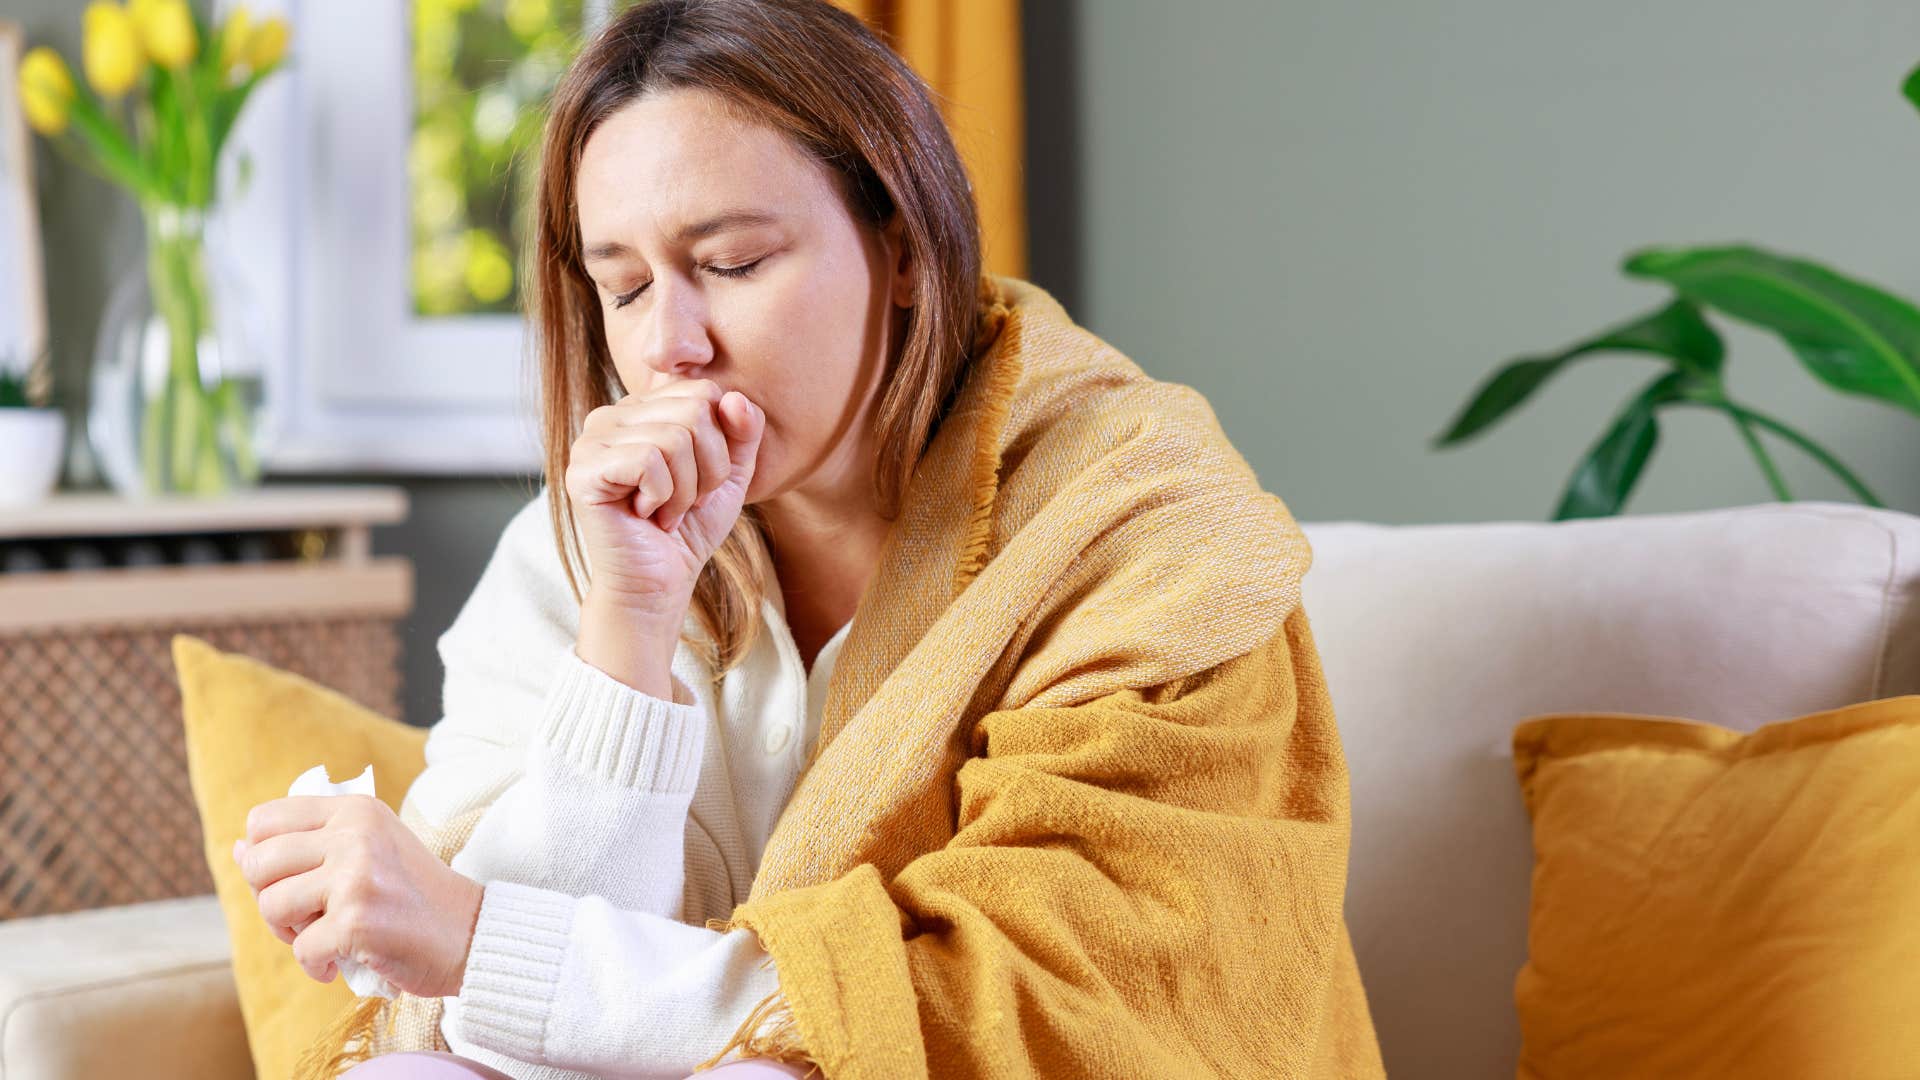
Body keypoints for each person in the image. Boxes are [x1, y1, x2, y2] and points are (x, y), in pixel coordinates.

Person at [234, 0, 1387, 1077]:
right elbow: (496, 1039)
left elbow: (1045, 1010)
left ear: (900, 249)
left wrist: (486, 936)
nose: (671, 344)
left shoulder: (1141, 533)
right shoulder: (574, 555)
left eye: (731, 264)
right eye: (623, 289)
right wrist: (626, 639)